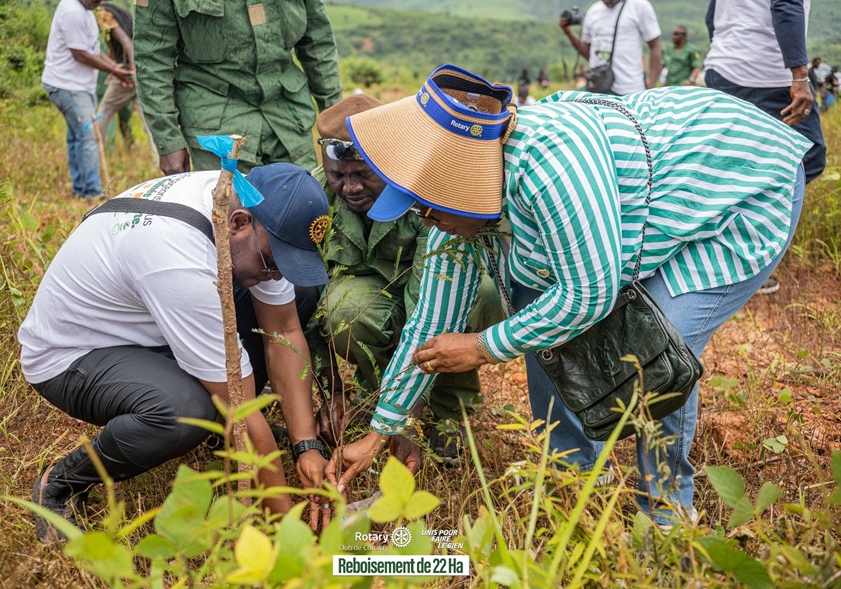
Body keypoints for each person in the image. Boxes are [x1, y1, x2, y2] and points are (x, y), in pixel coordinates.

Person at [324, 64, 810, 526]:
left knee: (658, 351)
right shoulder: (454, 211)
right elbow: (429, 325)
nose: (427, 222)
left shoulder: (549, 167)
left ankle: (665, 515)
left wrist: (479, 347)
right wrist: (380, 430)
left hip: (732, 183)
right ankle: (572, 485)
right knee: (541, 326)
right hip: (637, 212)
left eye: (429, 210)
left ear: (460, 188)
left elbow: (588, 295)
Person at [20, 163, 333, 543]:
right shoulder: (178, 258)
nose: (277, 276)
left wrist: (307, 447)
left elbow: (282, 331)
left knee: (297, 295)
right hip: (74, 355)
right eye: (274, 263)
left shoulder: (239, 206)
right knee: (183, 412)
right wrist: (288, 530)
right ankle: (63, 481)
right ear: (238, 223)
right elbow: (239, 402)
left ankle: (223, 439)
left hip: (148, 324)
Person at [298, 94, 503, 466]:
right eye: (338, 176)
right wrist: (332, 387)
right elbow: (304, 300)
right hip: (372, 301)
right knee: (343, 311)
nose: (350, 189)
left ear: (386, 161)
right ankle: (376, 397)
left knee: (480, 296)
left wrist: (406, 419)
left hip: (437, 300)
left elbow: (431, 312)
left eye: (363, 175)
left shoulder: (425, 191)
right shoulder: (312, 197)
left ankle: (449, 409)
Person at [134, 0, 343, 175]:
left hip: (290, 120)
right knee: (230, 215)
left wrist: (338, 124)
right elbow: (152, 58)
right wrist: (168, 141)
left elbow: (317, 41)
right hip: (217, 130)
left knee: (305, 211)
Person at [704, 0, 826, 295]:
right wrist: (800, 76)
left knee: (733, 165)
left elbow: (711, 14)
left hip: (723, 68)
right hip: (763, 75)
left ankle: (722, 252)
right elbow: (786, 2)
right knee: (809, 155)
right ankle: (742, 260)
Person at [41, 0, 134, 200]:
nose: (98, 1)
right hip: (67, 86)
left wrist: (118, 71)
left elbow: (92, 49)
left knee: (77, 137)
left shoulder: (85, 9)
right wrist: (114, 70)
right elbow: (80, 54)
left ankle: (80, 189)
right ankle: (92, 192)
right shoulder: (72, 11)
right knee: (88, 137)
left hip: (80, 86)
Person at [559, 0, 662, 94]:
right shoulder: (593, 11)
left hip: (629, 90)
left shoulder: (639, 7)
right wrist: (568, 32)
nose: (606, 0)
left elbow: (655, 46)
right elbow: (588, 53)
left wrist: (652, 84)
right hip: (598, 89)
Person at [94, 3, 158, 162]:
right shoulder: (121, 11)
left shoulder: (103, 13)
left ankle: (93, 156)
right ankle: (160, 161)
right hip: (139, 69)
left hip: (126, 72)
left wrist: (131, 71)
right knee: (148, 119)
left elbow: (126, 42)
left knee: (105, 110)